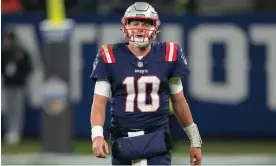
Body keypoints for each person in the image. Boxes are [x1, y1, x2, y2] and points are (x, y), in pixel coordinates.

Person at [90, 2, 202, 165]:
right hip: (123, 141)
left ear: (155, 28)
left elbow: (179, 101)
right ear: (126, 27)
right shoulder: (109, 55)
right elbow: (99, 103)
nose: (140, 28)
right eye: (135, 23)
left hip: (156, 140)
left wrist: (195, 140)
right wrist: (97, 135)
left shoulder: (169, 54)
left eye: (145, 23)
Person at [2, 31, 33, 145]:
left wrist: (21, 77)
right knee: (9, 109)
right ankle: (9, 131)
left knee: (17, 110)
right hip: (7, 85)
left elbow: (29, 67)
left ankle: (16, 132)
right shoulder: (4, 53)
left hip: (19, 85)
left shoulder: (21, 54)